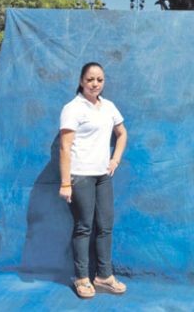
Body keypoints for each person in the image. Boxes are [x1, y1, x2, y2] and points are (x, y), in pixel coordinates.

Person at [59, 62, 128, 299]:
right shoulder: (72, 108)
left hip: (102, 176)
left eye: (99, 79)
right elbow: (65, 147)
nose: (95, 83)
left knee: (105, 226)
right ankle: (81, 278)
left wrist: (115, 160)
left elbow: (122, 133)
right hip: (81, 176)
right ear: (81, 81)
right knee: (84, 227)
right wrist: (65, 182)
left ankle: (104, 276)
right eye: (90, 79)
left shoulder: (108, 107)